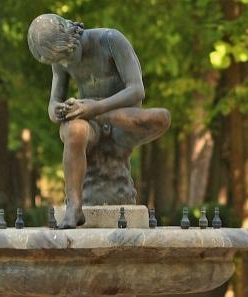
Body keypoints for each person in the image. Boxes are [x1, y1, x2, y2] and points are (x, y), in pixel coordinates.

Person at [27, 14, 170, 229]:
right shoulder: (59, 59)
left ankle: (95, 113)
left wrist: (95, 108)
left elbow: (137, 90)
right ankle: (74, 207)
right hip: (89, 124)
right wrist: (56, 110)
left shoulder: (111, 40)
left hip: (122, 121)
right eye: (59, 61)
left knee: (161, 118)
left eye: (66, 56)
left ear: (73, 37)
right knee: (74, 130)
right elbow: (53, 102)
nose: (64, 63)